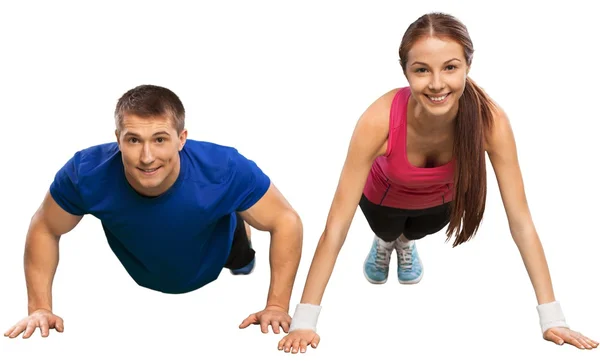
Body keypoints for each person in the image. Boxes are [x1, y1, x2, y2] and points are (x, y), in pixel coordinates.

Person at [277, 12, 598, 353]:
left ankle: (405, 241)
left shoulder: (492, 122)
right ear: (405, 72)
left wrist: (553, 319)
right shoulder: (377, 119)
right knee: (388, 229)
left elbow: (521, 222)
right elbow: (336, 227)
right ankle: (387, 242)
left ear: (467, 67)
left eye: (449, 67)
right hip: (382, 202)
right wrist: (304, 321)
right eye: (421, 70)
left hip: (439, 205)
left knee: (416, 231)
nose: (436, 84)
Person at [4, 84, 303, 339]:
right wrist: (40, 308)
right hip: (146, 268)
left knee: (242, 259)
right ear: (118, 139)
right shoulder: (86, 174)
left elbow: (285, 220)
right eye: (134, 140)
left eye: (160, 139)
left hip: (218, 250)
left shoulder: (224, 168)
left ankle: (236, 219)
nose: (147, 158)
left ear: (181, 138)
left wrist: (276, 305)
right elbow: (45, 226)